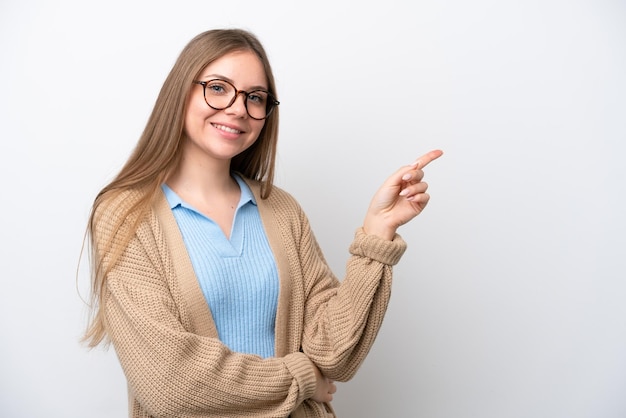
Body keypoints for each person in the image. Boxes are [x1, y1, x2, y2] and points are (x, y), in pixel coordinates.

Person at [82, 28, 442, 418]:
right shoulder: (124, 215)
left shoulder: (281, 210)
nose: (239, 108)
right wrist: (302, 377)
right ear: (179, 92)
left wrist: (377, 234)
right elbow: (171, 383)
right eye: (218, 88)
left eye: (255, 97)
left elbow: (334, 354)